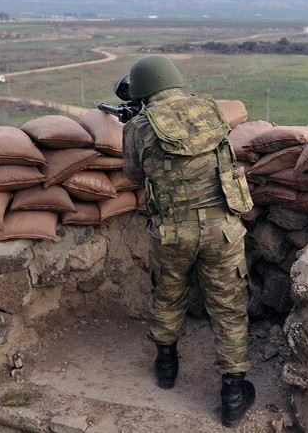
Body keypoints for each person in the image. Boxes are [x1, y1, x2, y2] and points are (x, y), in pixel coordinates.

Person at [122, 55, 256, 428]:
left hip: (172, 233)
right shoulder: (209, 110)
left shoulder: (138, 127)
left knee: (167, 297)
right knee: (228, 308)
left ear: (142, 90)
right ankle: (233, 395)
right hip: (223, 229)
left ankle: (166, 367)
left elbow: (134, 175)